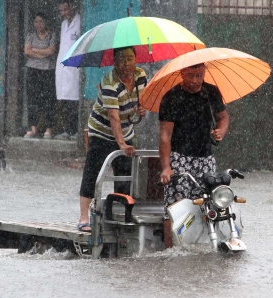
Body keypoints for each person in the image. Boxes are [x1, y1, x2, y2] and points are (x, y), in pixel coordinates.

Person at [158, 63, 229, 248]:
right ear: (181, 73)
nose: (195, 81)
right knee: (175, 206)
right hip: (179, 157)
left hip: (205, 158)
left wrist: (220, 131)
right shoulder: (171, 97)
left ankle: (205, 246)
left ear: (205, 72)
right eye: (190, 76)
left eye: (199, 75)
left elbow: (223, 117)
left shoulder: (211, 92)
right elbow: (165, 135)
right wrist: (166, 167)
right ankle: (170, 249)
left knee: (209, 204)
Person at [77, 46, 147, 232]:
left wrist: (142, 109)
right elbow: (113, 116)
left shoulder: (141, 76)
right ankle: (84, 217)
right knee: (93, 172)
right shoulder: (109, 82)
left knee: (125, 175)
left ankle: (117, 214)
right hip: (101, 132)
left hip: (127, 130)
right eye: (121, 59)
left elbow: (143, 102)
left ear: (136, 60)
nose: (126, 64)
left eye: (130, 58)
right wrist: (121, 144)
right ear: (114, 62)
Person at [23, 12, 57, 139]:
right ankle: (33, 128)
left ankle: (48, 129)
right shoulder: (31, 35)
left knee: (48, 100)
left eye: (41, 21)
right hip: (32, 70)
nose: (38, 24)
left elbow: (51, 51)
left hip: (48, 71)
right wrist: (43, 53)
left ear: (46, 22)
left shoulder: (52, 35)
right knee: (32, 100)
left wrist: (35, 50)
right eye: (36, 22)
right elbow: (27, 51)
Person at [54, 0, 81, 141]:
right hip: (63, 65)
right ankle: (67, 130)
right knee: (64, 100)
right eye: (61, 11)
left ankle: (74, 130)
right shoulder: (63, 25)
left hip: (74, 66)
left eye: (65, 10)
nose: (63, 13)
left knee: (74, 101)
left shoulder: (80, 22)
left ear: (72, 8)